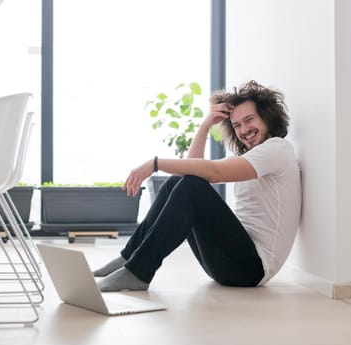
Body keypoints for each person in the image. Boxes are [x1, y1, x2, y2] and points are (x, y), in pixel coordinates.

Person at [94, 80, 301, 292]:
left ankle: (138, 272)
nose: (244, 130)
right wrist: (205, 126)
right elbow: (189, 172)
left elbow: (212, 173)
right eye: (237, 125)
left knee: (191, 186)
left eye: (249, 120)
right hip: (230, 262)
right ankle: (128, 260)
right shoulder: (251, 156)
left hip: (252, 268)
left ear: (267, 117)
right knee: (178, 182)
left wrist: (155, 164)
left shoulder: (277, 149)